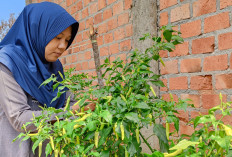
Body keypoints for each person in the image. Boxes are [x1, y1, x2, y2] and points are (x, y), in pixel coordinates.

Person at [0, 2, 94, 157]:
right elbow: (20, 118)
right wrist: (71, 112)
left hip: (49, 150)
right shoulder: (8, 63)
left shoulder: (53, 66)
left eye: (67, 40)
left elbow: (66, 101)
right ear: (38, 31)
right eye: (58, 37)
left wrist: (86, 103)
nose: (63, 46)